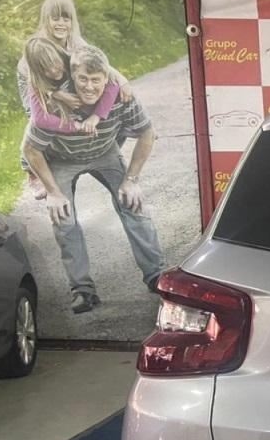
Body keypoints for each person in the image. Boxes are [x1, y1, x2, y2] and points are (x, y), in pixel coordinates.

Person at [21, 45, 165, 314]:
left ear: (106, 79)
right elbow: (30, 149)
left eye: (96, 80)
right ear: (73, 76)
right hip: (62, 159)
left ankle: (156, 275)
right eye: (83, 79)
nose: (89, 86)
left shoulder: (121, 96)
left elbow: (147, 132)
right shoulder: (55, 100)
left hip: (104, 152)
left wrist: (131, 179)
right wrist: (53, 191)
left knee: (133, 203)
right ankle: (82, 289)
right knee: (63, 218)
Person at [17, 0, 131, 197]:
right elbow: (36, 82)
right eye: (55, 18)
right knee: (39, 119)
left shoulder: (75, 41)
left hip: (61, 80)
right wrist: (57, 95)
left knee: (109, 101)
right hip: (37, 84)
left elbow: (100, 65)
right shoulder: (38, 47)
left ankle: (104, 146)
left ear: (72, 21)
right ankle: (33, 170)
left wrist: (122, 80)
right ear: (46, 20)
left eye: (66, 18)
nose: (61, 24)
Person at [23, 37, 121, 135]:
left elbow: (113, 84)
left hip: (98, 116)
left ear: (59, 54)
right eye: (45, 69)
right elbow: (39, 118)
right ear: (37, 72)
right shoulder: (36, 82)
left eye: (55, 63)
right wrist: (75, 126)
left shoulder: (76, 62)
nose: (53, 71)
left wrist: (96, 116)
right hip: (69, 126)